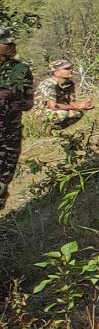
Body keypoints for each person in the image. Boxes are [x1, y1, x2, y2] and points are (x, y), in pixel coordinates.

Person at [0, 34, 30, 203]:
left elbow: (28, 101)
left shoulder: (21, 70)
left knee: (3, 181)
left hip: (10, 134)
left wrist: (15, 102)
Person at [38, 60, 92, 125]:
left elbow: (71, 102)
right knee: (63, 114)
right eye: (67, 69)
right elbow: (53, 106)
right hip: (41, 112)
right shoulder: (49, 85)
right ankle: (42, 128)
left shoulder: (69, 84)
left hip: (54, 110)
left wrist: (83, 105)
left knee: (78, 113)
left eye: (71, 68)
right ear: (57, 73)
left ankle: (50, 131)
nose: (71, 70)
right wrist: (77, 106)